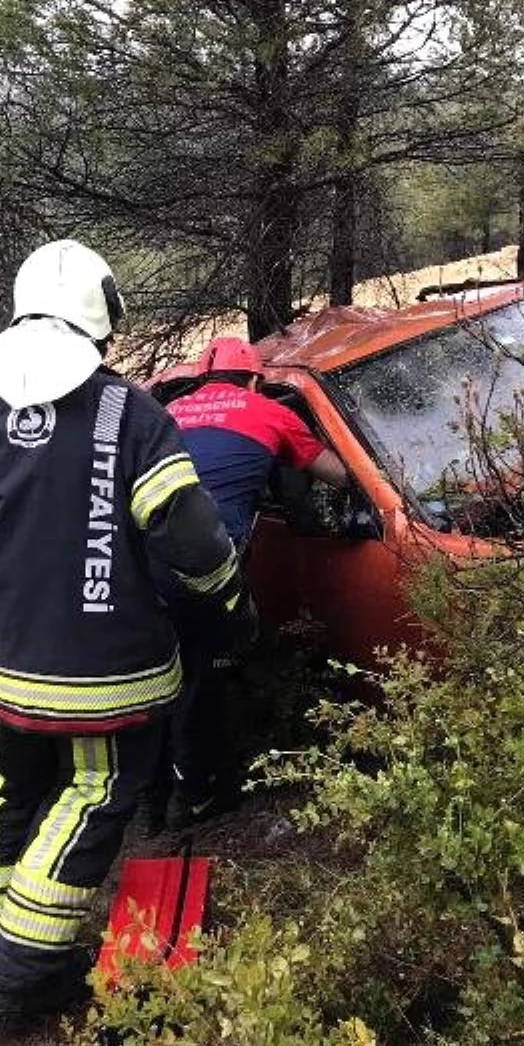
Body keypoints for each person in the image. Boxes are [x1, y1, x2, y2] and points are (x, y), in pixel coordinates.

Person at [0, 239, 254, 1032]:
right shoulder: (133, 415)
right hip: (110, 680)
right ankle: (23, 978)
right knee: (92, 799)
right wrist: (234, 609)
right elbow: (195, 547)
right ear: (103, 318)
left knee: (11, 786)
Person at [153, 336, 347, 827]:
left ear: (202, 377)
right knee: (203, 676)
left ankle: (151, 797)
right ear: (256, 378)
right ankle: (193, 797)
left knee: (159, 669)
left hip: (143, 558)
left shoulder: (170, 411)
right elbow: (340, 475)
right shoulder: (270, 412)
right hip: (207, 567)